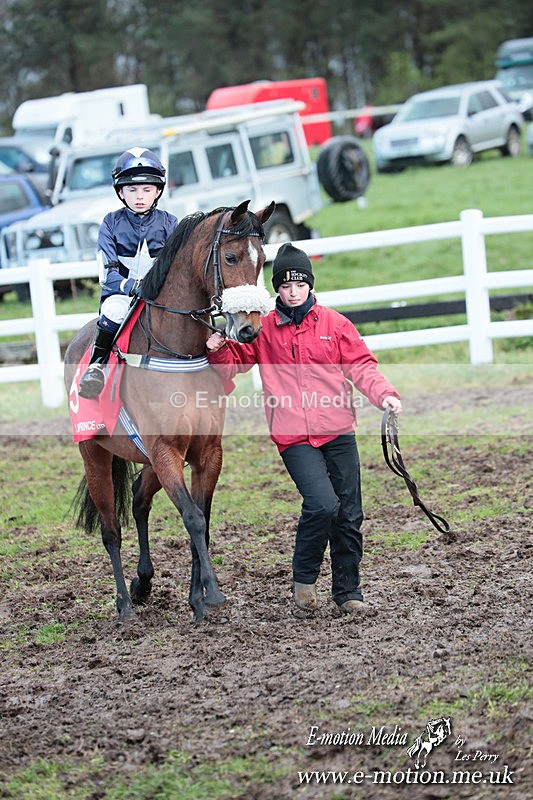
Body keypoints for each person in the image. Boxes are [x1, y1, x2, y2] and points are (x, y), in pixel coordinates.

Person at [206, 242, 402, 618]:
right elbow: (233, 365)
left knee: (348, 513)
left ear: (310, 286)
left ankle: (348, 590)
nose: (293, 292)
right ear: (276, 289)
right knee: (322, 505)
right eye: (285, 286)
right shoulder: (263, 330)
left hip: (338, 429)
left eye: (299, 285)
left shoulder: (335, 324)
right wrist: (217, 349)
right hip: (294, 436)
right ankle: (304, 581)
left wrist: (385, 396)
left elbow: (361, 366)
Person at [78, 147, 178, 399]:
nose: (139, 196)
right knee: (112, 311)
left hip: (162, 297)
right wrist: (132, 287)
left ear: (158, 191)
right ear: (120, 192)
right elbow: (107, 273)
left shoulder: (170, 222)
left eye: (146, 189)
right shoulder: (110, 223)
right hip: (123, 295)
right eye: (132, 190)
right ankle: (96, 367)